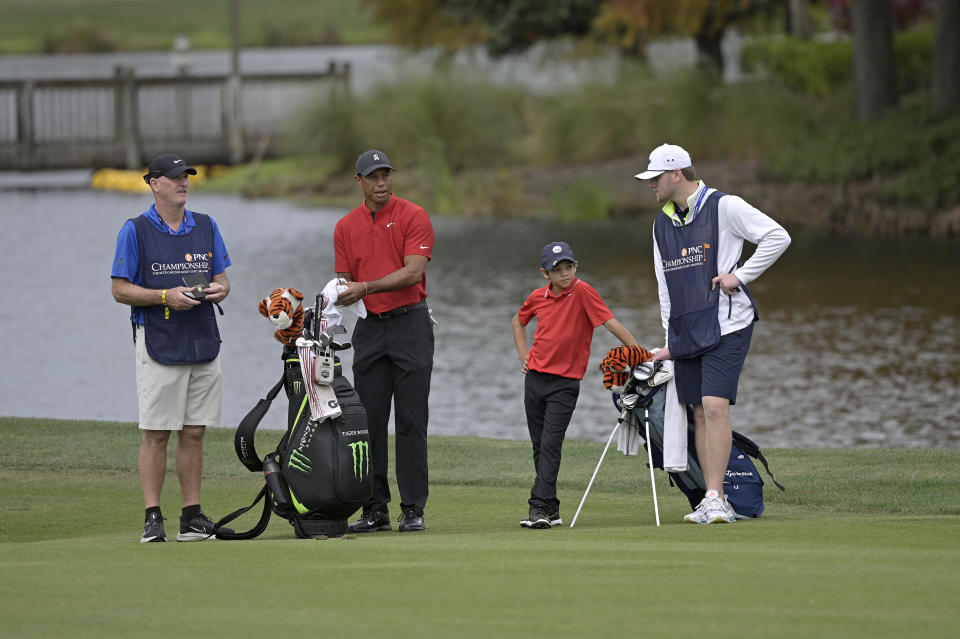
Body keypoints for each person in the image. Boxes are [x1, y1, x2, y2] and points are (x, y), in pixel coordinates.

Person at [635, 143, 791, 524]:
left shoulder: (725, 206)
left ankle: (718, 498)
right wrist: (671, 340)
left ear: (676, 174)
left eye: (655, 177)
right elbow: (664, 285)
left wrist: (741, 276)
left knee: (716, 406)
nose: (651, 185)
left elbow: (777, 237)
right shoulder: (661, 224)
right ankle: (712, 498)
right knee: (701, 412)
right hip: (687, 331)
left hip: (728, 325)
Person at [111, 153, 233, 543]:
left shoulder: (207, 225)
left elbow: (223, 279)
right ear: (154, 183)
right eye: (175, 177)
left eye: (187, 176)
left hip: (202, 337)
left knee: (195, 431)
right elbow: (119, 289)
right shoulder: (135, 230)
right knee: (157, 432)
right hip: (159, 339)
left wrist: (220, 290)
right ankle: (152, 516)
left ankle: (192, 517)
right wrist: (165, 296)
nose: (183, 182)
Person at [334, 149, 434, 533]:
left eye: (386, 175)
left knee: (411, 421)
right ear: (358, 181)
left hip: (410, 325)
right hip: (370, 329)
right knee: (369, 422)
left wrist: (366, 286)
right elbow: (343, 283)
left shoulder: (413, 215)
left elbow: (412, 273)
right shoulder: (345, 227)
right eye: (372, 177)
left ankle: (412, 508)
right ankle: (375, 508)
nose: (381, 183)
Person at [512, 241, 639, 529]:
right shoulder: (538, 296)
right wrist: (523, 355)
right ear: (545, 274)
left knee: (550, 444)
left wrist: (637, 351)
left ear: (576, 266)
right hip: (535, 380)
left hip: (564, 384)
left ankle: (538, 507)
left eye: (568, 267)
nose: (565, 274)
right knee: (538, 445)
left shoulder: (583, 292)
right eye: (557, 270)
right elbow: (518, 322)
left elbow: (611, 323)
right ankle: (551, 508)